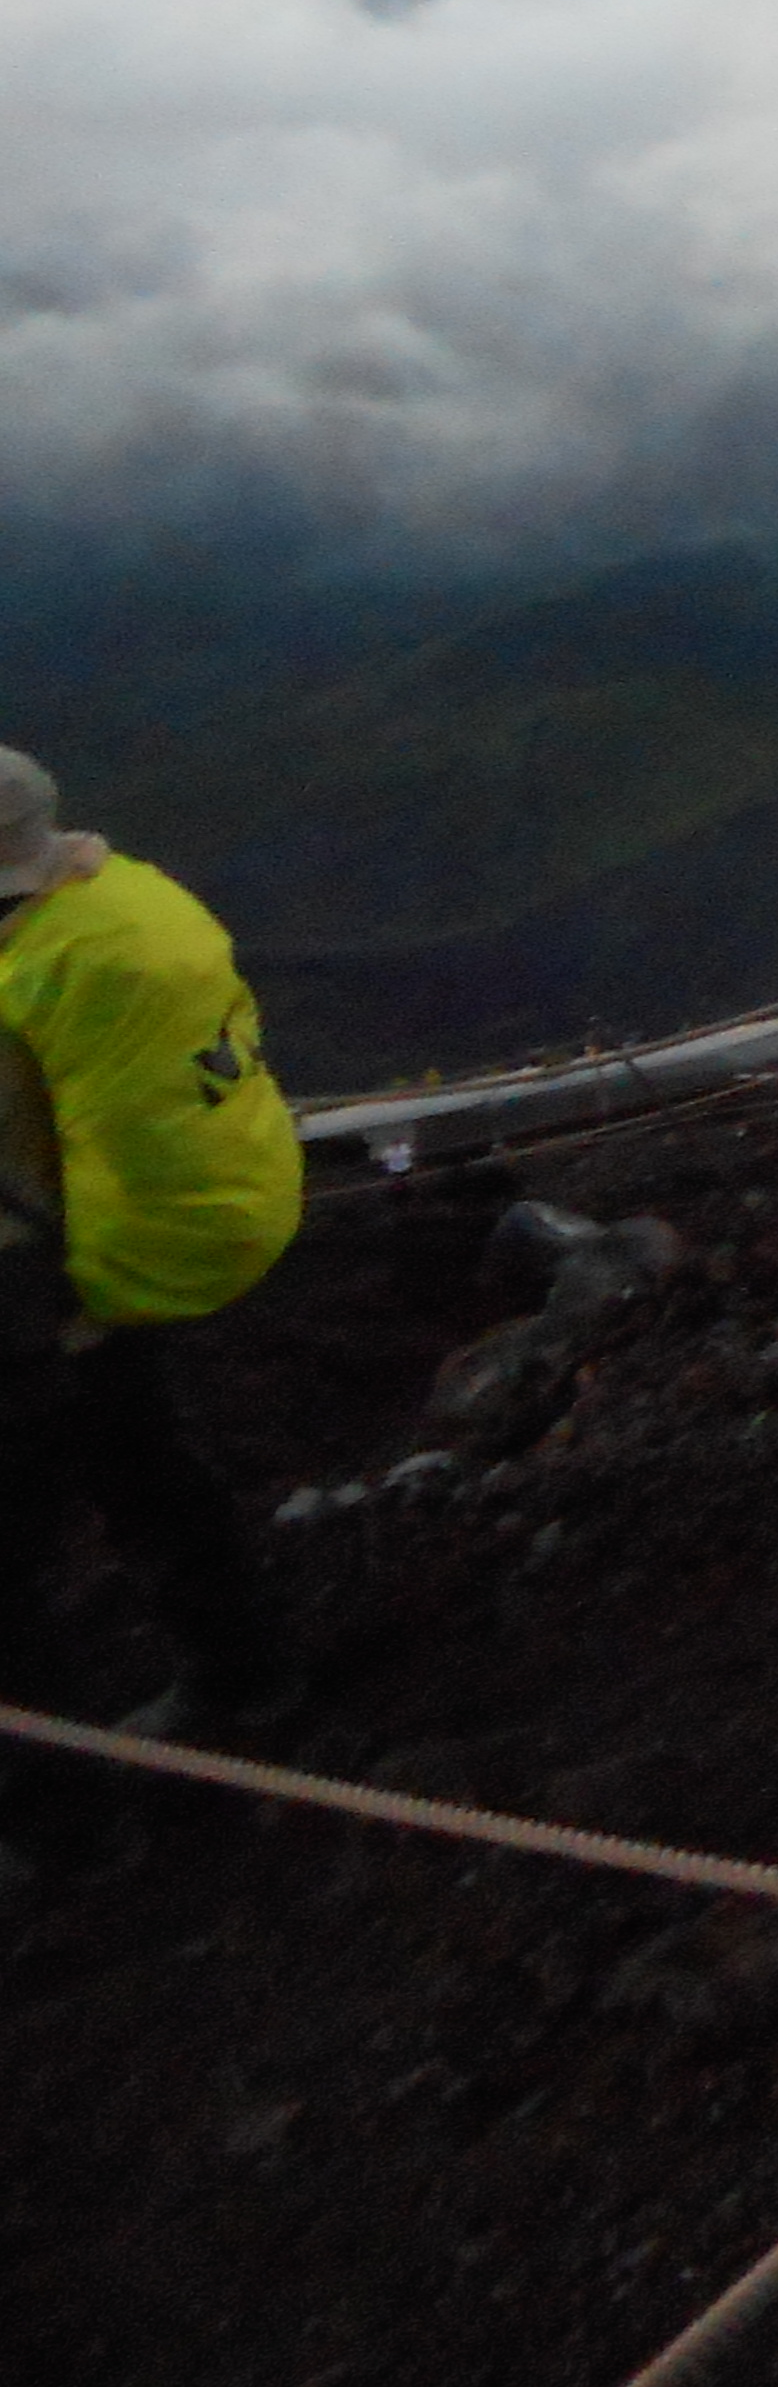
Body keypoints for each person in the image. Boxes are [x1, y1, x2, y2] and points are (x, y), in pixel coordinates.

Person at [1, 746, 307, 1889]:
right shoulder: (123, 905)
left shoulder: (21, 973)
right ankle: (245, 1675)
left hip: (26, 1298)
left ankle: (62, 1832)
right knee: (148, 1473)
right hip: (114, 1269)